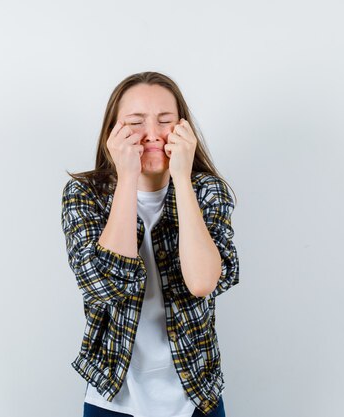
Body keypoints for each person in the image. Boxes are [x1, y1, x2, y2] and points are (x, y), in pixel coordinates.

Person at [61, 71, 240, 417]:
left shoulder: (206, 190)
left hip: (196, 393)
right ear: (114, 130)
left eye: (165, 120)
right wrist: (127, 175)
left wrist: (182, 180)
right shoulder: (85, 194)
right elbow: (107, 286)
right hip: (112, 395)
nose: (152, 134)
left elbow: (203, 282)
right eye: (135, 122)